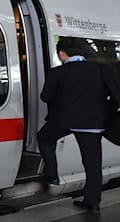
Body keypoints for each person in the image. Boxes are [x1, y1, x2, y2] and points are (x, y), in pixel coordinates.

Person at [38, 38, 110, 211]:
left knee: (44, 138)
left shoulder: (58, 72)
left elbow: (45, 97)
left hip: (66, 121)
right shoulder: (99, 70)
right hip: (94, 123)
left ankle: (52, 175)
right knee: (93, 163)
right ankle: (92, 202)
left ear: (62, 53)